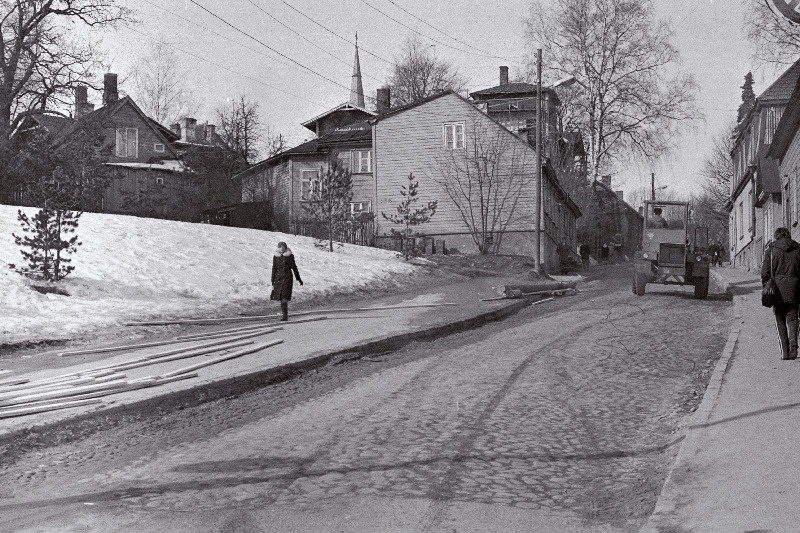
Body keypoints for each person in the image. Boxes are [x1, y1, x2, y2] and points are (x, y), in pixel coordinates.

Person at [761, 227, 800, 360]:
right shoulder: (797, 249)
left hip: (777, 290)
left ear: (776, 236)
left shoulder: (771, 251)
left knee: (780, 319)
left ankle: (785, 351)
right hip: (795, 289)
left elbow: (765, 272)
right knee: (793, 318)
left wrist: (766, 286)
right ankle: (794, 347)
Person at [271, 241, 303, 321]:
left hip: (287, 278)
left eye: (283, 247)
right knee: (280, 297)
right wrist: (272, 280)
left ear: (285, 248)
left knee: (284, 297)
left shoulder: (290, 256)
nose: (282, 249)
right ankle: (283, 314)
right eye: (280, 247)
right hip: (278, 279)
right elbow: (274, 268)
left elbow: (294, 268)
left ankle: (285, 316)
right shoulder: (276, 257)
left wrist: (298, 278)